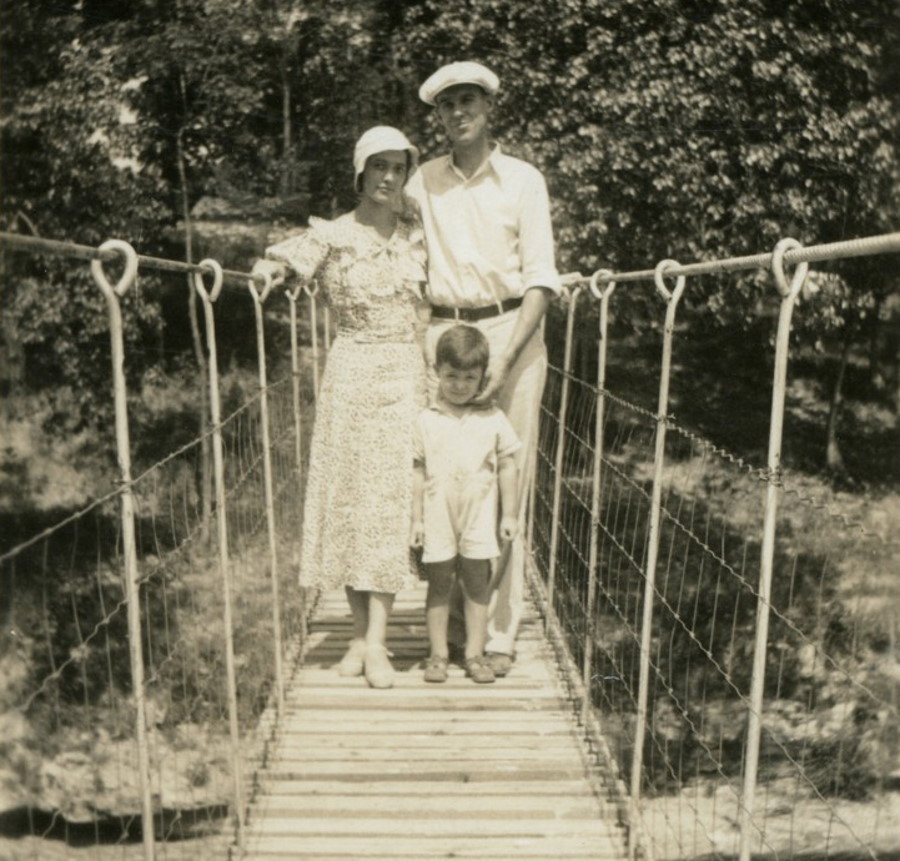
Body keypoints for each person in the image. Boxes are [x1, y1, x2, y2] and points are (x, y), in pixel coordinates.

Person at [251, 126, 428, 689]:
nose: (388, 177)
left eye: (398, 167)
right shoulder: (331, 235)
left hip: (404, 374)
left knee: (389, 505)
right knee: (352, 504)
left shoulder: (417, 233)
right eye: (378, 166)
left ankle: (378, 642)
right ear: (359, 172)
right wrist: (267, 270)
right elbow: (283, 261)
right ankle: (358, 634)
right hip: (350, 374)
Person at [405, 61, 562, 677]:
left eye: (469, 100)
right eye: (447, 105)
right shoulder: (420, 182)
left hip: (510, 331)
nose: (458, 112)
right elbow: (403, 264)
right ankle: (442, 637)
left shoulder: (523, 180)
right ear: (438, 115)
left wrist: (510, 356)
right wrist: (421, 345)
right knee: (440, 478)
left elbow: (542, 279)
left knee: (505, 487)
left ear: (490, 107)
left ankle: (498, 635)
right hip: (442, 339)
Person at [410, 325, 520, 684]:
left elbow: (507, 464)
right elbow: (417, 470)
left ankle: (475, 653)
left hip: (478, 516)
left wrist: (509, 513)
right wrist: (416, 521)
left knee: (476, 583)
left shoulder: (493, 418)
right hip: (438, 514)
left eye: (469, 377)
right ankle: (438, 654)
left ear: (482, 378)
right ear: (437, 372)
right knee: (439, 583)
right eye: (451, 376)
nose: (459, 385)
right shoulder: (426, 419)